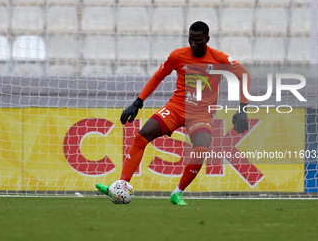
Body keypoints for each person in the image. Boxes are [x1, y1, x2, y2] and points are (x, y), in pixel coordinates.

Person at [96, 21, 250, 205]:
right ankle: (121, 185)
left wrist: (242, 109)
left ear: (207, 39)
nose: (193, 44)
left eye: (198, 41)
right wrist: (137, 102)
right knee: (141, 136)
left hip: (201, 114)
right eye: (190, 40)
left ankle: (177, 193)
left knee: (201, 149)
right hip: (176, 108)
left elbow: (244, 76)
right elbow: (158, 76)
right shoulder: (178, 56)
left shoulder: (219, 59)